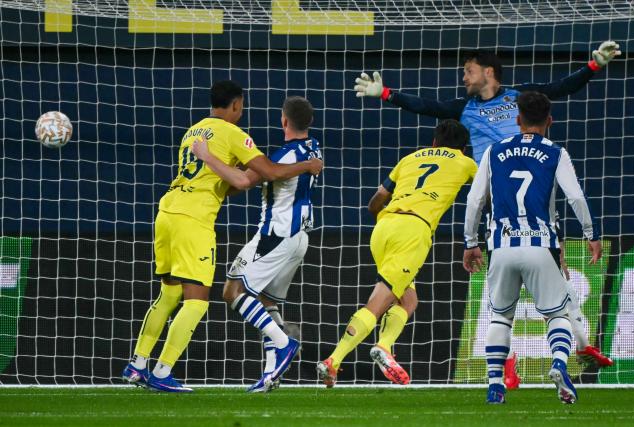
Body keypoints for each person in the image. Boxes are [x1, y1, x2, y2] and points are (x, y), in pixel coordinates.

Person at [354, 42, 619, 383]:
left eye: (469, 70)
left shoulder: (518, 98)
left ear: (488, 72)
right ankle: (523, 359)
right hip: (500, 209)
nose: (464, 77)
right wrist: (386, 93)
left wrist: (593, 66)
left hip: (534, 201)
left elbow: (560, 88)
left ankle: (578, 346)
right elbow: (425, 106)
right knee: (519, 285)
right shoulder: (464, 108)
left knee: (555, 272)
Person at [121, 81, 322, 392]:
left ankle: (137, 365)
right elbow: (255, 176)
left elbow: (222, 183)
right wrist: (306, 165)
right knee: (198, 302)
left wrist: (233, 173)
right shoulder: (233, 134)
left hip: (167, 213)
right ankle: (161, 372)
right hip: (194, 220)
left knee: (169, 295)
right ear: (236, 105)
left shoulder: (193, 132)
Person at [463, 91, 602, 404]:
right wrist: (591, 234)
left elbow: (474, 201)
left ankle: (496, 385)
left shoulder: (494, 151)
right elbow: (576, 197)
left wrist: (470, 242)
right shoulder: (555, 152)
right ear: (549, 121)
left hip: (501, 246)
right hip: (541, 245)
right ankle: (558, 364)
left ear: (517, 120)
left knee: (500, 318)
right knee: (558, 315)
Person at [317, 119, 477, 387]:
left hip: (382, 228)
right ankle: (333, 360)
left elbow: (376, 200)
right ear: (463, 148)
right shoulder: (464, 162)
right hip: (413, 231)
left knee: (408, 299)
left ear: (434, 142)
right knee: (378, 303)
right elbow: (486, 187)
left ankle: (385, 345)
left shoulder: (410, 158)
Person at [191, 96, 320, 393]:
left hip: (274, 235)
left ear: (283, 121)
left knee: (232, 291)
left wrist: (208, 157)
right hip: (299, 238)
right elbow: (255, 178)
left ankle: (284, 342)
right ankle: (270, 375)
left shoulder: (286, 156)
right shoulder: (311, 149)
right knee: (267, 303)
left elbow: (245, 181)